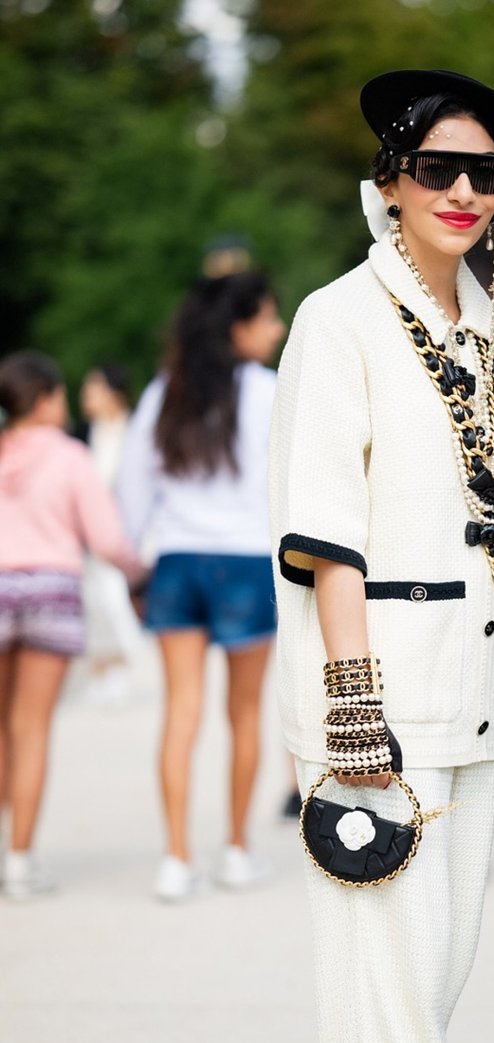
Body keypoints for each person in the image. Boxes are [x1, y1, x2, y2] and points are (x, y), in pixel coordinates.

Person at [268, 70, 494, 1043]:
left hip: (476, 698)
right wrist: (351, 716)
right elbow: (325, 533)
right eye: (437, 167)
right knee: (388, 996)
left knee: (413, 997)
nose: (463, 190)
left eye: (486, 172)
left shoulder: (485, 327)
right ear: (388, 181)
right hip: (380, 703)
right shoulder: (339, 318)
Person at [117, 269, 285, 900]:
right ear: (238, 327)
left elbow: (134, 483)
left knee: (180, 712)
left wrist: (135, 560)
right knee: (244, 714)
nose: (278, 329)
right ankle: (236, 851)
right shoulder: (269, 392)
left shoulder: (168, 390)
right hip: (246, 561)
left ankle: (176, 859)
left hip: (178, 561)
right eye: (268, 317)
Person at [0, 351, 141, 897]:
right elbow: (105, 539)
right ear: (43, 400)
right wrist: (137, 573)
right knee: (31, 729)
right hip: (52, 591)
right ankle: (20, 863)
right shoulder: (70, 456)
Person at [79, 363, 141, 704]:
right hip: (86, 533)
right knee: (93, 601)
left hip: (123, 532)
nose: (85, 397)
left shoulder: (136, 431)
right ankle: (102, 668)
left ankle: (124, 663)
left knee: (112, 597)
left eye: (93, 390)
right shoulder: (83, 434)